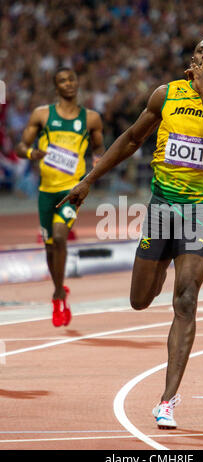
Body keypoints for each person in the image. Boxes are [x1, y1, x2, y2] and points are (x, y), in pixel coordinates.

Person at [57, 38, 203, 428]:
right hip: (161, 209)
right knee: (140, 300)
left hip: (200, 210)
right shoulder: (166, 95)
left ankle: (167, 400)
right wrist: (87, 181)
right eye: (199, 52)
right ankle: (162, 264)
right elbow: (131, 139)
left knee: (187, 300)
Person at [16, 67, 105, 328]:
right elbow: (21, 146)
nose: (68, 84)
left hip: (71, 189)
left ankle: (57, 294)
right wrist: (31, 154)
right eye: (62, 81)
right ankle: (59, 290)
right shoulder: (42, 115)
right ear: (56, 87)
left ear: (77, 83)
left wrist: (95, 169)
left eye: (72, 79)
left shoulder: (91, 119)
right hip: (46, 190)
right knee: (49, 246)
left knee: (60, 235)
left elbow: (100, 150)